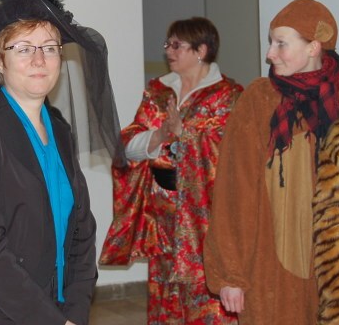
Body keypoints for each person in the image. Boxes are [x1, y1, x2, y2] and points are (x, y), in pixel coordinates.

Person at [0, 0, 119, 325]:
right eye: (23, 49)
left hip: (60, 309)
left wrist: (75, 312)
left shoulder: (60, 129)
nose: (39, 60)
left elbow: (82, 231)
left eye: (49, 48)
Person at [203, 0, 339, 324]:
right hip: (273, 275)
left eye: (281, 43)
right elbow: (234, 191)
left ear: (314, 47)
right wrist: (230, 274)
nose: (269, 54)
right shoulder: (259, 99)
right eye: (271, 43)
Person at [99, 17, 243, 324]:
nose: (168, 51)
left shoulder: (228, 95)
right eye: (168, 44)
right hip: (162, 215)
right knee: (166, 291)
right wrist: (161, 135)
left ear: (201, 50)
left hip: (206, 216)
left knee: (205, 290)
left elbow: (232, 152)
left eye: (177, 45)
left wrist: (185, 134)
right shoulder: (158, 91)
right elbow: (128, 144)